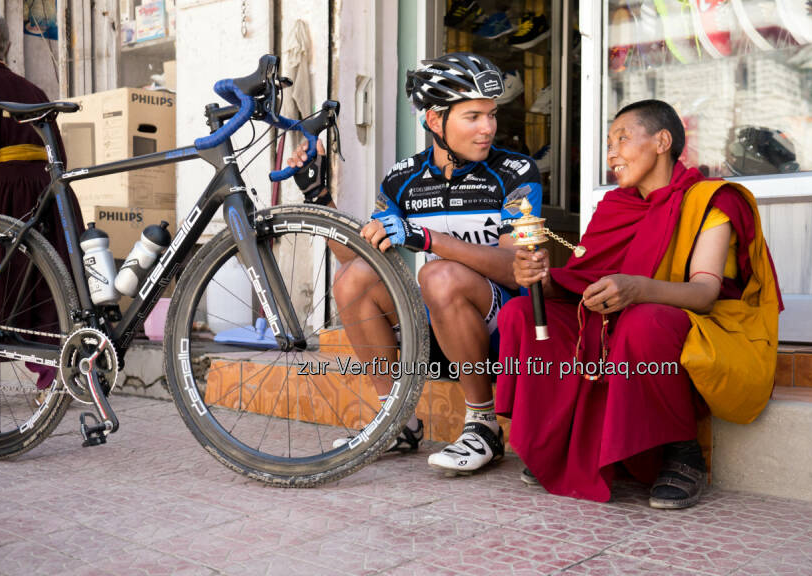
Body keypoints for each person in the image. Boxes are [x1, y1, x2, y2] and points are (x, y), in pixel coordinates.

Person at [497, 99, 783, 507]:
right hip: (621, 315)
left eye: (622, 138)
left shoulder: (710, 200)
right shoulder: (615, 206)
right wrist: (543, 279)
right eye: (608, 143)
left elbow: (704, 294)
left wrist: (638, 289)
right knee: (521, 312)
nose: (611, 152)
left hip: (688, 324)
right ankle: (555, 443)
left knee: (643, 321)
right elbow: (585, 281)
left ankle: (682, 453)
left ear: (662, 141)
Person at [288, 52, 541, 474]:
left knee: (437, 273)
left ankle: (483, 426)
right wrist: (319, 197)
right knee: (355, 279)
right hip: (434, 328)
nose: (488, 129)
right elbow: (356, 261)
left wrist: (430, 239)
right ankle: (396, 421)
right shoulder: (402, 178)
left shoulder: (516, 171)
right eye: (473, 116)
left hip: (502, 330)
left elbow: (520, 264)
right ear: (435, 121)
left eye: (491, 115)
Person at [0, 11, 83, 411]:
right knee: (42, 285)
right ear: (7, 47)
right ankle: (51, 375)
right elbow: (55, 152)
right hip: (44, 192)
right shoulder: (34, 88)